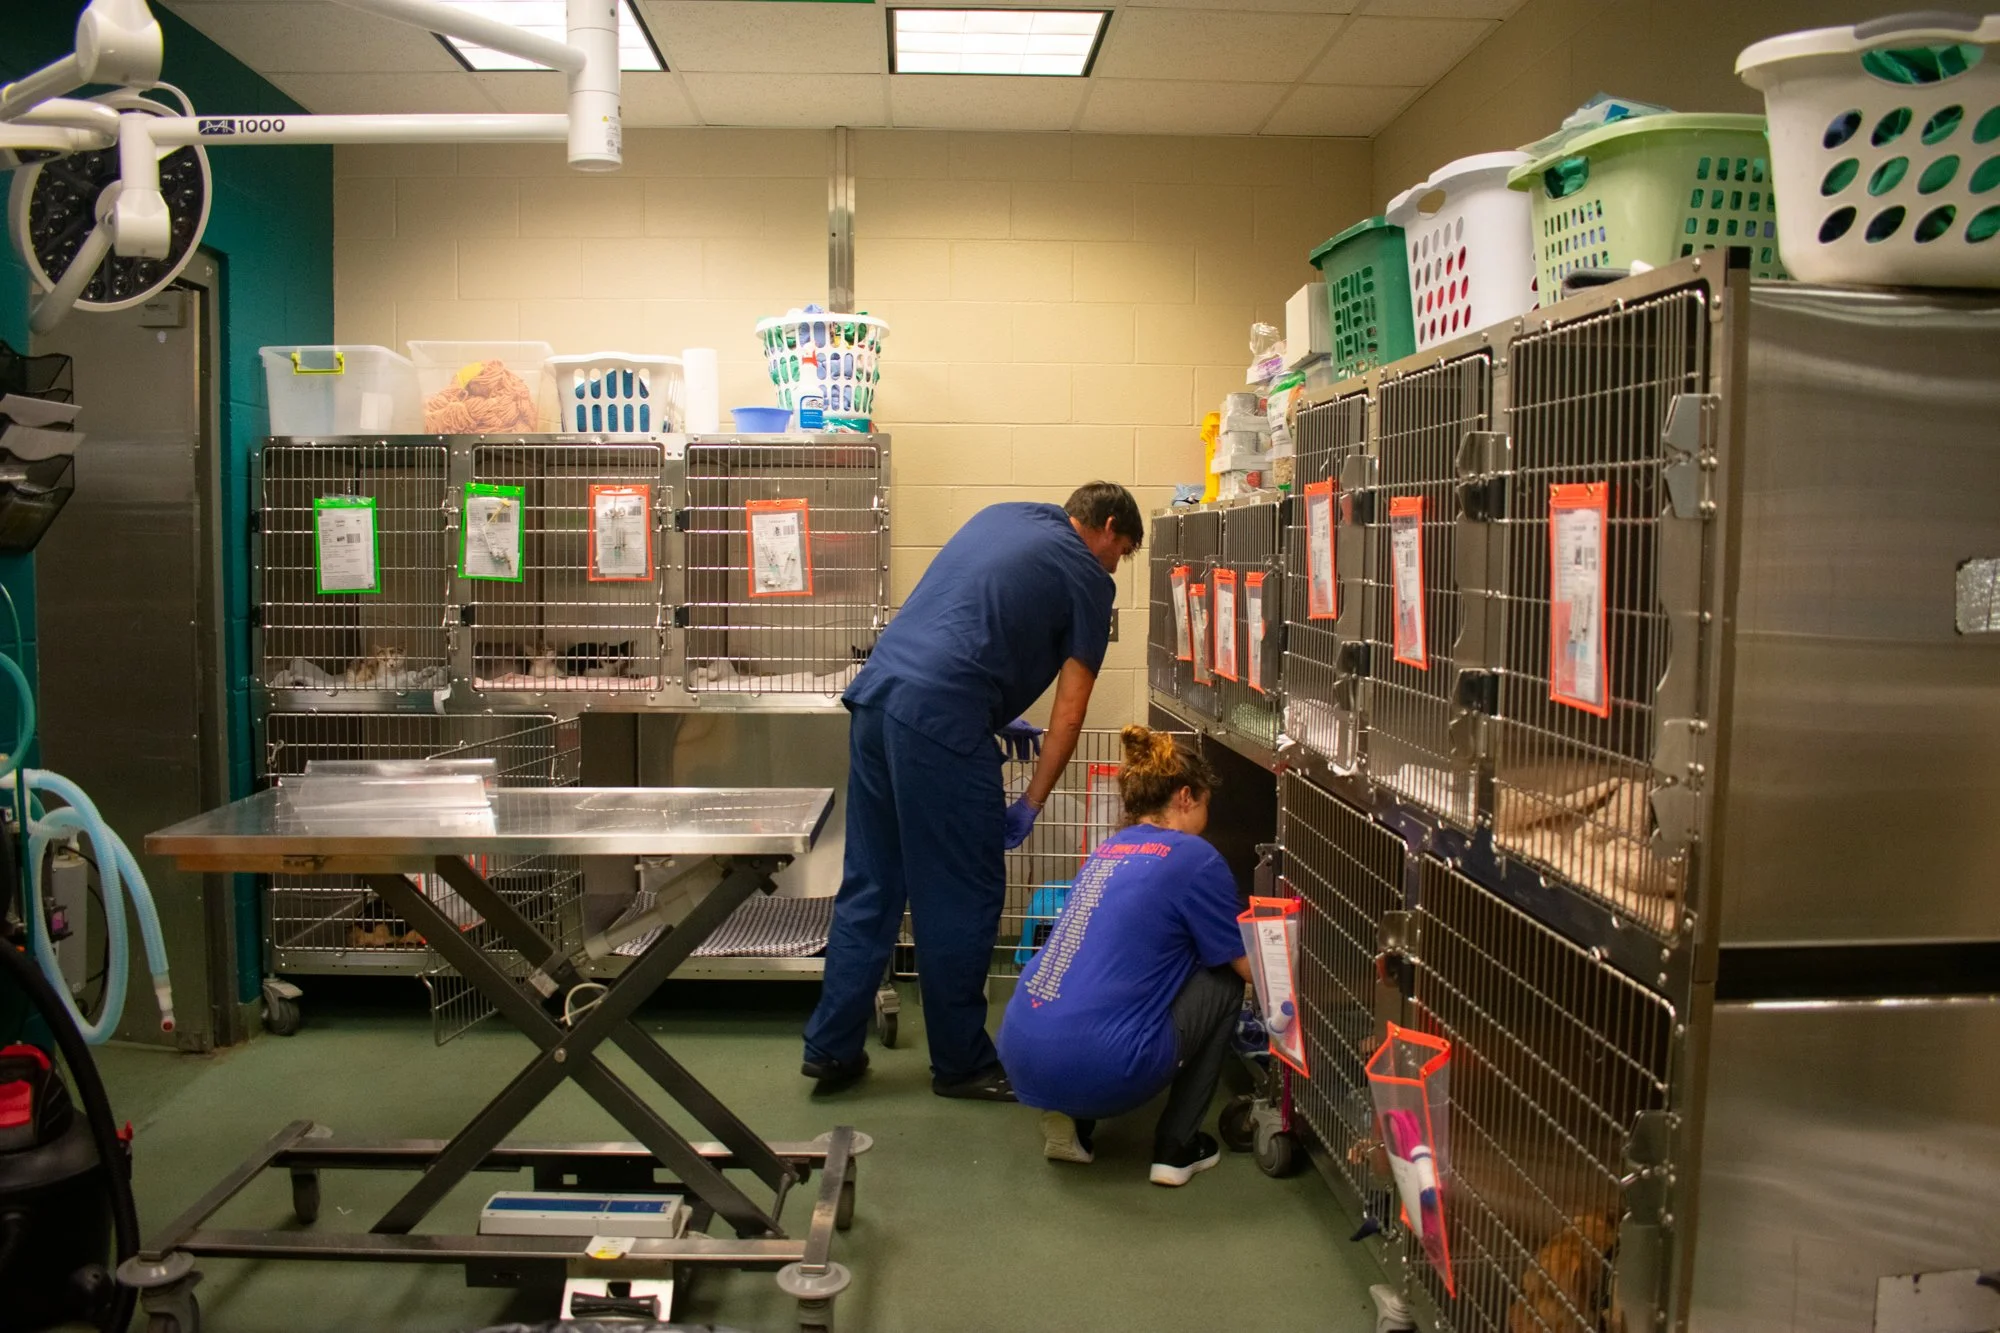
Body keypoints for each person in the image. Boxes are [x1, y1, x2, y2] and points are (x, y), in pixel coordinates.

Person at [802, 482, 1144, 1101]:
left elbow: (965, 616)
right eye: (1118, 551)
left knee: (874, 883)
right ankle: (961, 1064)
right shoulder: (1088, 577)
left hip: (879, 699)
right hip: (940, 720)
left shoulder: (1003, 515)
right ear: (1107, 525)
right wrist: (1032, 801)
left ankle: (830, 1047)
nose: (1113, 565)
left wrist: (991, 705)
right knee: (961, 891)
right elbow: (1070, 713)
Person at [996, 726, 1250, 1186]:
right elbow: (1247, 968)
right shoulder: (1196, 856)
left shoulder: (1107, 851)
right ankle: (1177, 1148)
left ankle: (1073, 1118)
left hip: (1019, 1050)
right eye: (1207, 806)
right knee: (1224, 981)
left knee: (1097, 981)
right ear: (1187, 797)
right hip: (1107, 1065)